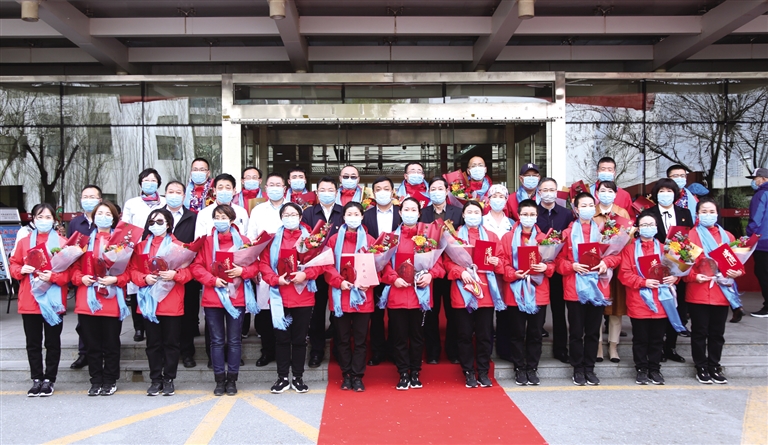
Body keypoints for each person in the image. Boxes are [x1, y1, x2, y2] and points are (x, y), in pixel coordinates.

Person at [190, 205, 259, 396]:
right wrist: (212, 280)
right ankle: (219, 379)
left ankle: (232, 380)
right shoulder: (206, 242)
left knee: (235, 341)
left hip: (237, 297)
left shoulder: (244, 241)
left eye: (224, 217)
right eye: (217, 217)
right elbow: (196, 267)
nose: (220, 220)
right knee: (217, 341)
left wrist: (242, 271)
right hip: (213, 297)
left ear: (232, 220)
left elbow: (255, 266)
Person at [556, 192, 621, 386]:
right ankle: (577, 368)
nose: (587, 209)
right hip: (574, 288)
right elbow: (557, 261)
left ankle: (590, 368)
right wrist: (572, 266)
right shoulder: (566, 233)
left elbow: (616, 255)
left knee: (593, 331)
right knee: (576, 332)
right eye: (583, 206)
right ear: (576, 209)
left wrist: (606, 263)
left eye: (590, 205)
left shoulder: (605, 232)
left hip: (598, 288)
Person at [260, 203, 325, 394]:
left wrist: (306, 274)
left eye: (294, 214)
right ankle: (282, 378)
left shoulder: (312, 238)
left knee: (299, 339)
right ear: (281, 218)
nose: (290, 218)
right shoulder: (272, 240)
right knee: (281, 339)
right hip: (279, 295)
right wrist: (275, 279)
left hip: (303, 296)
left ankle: (297, 377)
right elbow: (264, 264)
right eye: (286, 215)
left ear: (300, 217)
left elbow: (321, 263)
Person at [380, 197, 444, 390]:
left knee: (417, 337)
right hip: (397, 294)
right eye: (406, 209)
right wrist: (393, 278)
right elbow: (382, 265)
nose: (409, 213)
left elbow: (439, 265)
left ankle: (415, 372)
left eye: (413, 210)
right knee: (399, 337)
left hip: (420, 295)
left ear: (419, 213)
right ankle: (402, 373)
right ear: (400, 213)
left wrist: (431, 275)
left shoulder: (428, 237)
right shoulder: (390, 238)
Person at [130, 208, 192, 396]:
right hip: (149, 302)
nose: (155, 225)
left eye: (160, 222)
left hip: (171, 300)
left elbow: (190, 272)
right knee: (153, 344)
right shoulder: (140, 247)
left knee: (171, 343)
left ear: (168, 224)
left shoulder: (180, 246)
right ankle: (155, 379)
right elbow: (132, 270)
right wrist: (144, 278)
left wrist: (176, 274)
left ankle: (169, 378)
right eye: (152, 222)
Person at [10, 203, 70, 397]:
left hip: (53, 301)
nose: (43, 221)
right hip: (30, 299)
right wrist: (21, 270)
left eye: (48, 217)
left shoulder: (63, 243)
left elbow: (68, 275)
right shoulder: (24, 242)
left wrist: (53, 276)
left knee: (52, 342)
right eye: (39, 217)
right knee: (33, 343)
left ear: (54, 220)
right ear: (33, 220)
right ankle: (36, 378)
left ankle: (49, 379)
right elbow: (13, 265)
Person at [72, 201, 131, 396]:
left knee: (111, 344)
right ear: (93, 217)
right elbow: (73, 269)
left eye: (107, 214)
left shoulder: (122, 243)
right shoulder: (82, 241)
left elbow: (129, 272)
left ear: (114, 218)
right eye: (99, 213)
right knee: (92, 345)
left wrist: (116, 279)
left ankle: (110, 380)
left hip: (111, 299)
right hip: (88, 299)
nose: (103, 217)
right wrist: (81, 278)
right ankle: (95, 380)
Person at [443, 200, 504, 389]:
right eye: (469, 212)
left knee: (485, 334)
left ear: (481, 215)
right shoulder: (453, 237)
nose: (472, 215)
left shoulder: (491, 236)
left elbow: (502, 260)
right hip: (463, 290)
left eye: (476, 212)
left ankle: (483, 371)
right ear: (463, 215)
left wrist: (496, 262)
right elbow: (447, 262)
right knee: (464, 334)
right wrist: (460, 271)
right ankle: (468, 371)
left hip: (485, 292)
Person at [686, 198, 743, 384]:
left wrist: (736, 272)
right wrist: (694, 276)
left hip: (721, 292)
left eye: (712, 212)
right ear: (697, 214)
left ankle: (714, 365)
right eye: (704, 212)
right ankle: (701, 366)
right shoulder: (690, 236)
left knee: (717, 333)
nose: (708, 215)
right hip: (698, 291)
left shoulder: (728, 237)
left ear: (717, 214)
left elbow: (738, 264)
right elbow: (683, 268)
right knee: (699, 331)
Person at [619, 210, 678, 385]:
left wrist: (675, 278)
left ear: (657, 227)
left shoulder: (666, 249)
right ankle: (641, 368)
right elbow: (624, 274)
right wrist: (643, 282)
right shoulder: (629, 249)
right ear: (638, 228)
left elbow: (676, 271)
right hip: (639, 300)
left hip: (662, 300)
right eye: (644, 225)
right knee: (640, 338)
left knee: (657, 338)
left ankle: (655, 368)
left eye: (651, 224)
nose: (648, 228)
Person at [499, 199, 553, 386]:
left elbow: (553, 263)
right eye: (525, 214)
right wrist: (513, 273)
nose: (528, 218)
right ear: (518, 216)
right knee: (517, 333)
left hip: (538, 292)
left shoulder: (545, 239)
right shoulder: (507, 238)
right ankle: (519, 368)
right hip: (516, 291)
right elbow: (502, 262)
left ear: (537, 216)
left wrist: (545, 267)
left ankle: (532, 367)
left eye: (532, 215)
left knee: (535, 333)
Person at [323, 202, 376, 391]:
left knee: (361, 340)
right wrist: (339, 281)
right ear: (343, 217)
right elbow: (327, 265)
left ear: (362, 217)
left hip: (363, 296)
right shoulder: (333, 240)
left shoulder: (370, 240)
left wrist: (368, 281)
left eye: (356, 214)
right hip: (341, 295)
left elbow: (378, 265)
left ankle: (357, 376)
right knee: (342, 339)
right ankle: (346, 374)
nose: (353, 217)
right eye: (349, 214)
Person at [647, 178, 694, 361]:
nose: (665, 194)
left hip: (677, 270)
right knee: (658, 308)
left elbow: (688, 242)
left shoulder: (684, 213)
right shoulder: (648, 213)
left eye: (669, 191)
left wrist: (678, 272)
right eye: (661, 191)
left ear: (675, 194)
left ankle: (671, 347)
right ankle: (656, 348)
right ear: (655, 194)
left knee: (677, 307)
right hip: (655, 268)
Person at [301, 177, 344, 369]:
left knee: (338, 311)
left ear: (336, 192)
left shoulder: (344, 212)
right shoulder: (308, 213)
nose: (327, 193)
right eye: (323, 190)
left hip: (338, 270)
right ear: (317, 193)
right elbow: (303, 240)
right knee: (316, 312)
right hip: (316, 270)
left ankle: (339, 350)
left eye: (331, 190)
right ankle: (316, 351)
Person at [246, 172, 288, 367]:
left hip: (287, 268)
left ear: (285, 188)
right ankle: (267, 351)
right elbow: (251, 240)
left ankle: (284, 352)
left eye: (278, 184)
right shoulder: (258, 210)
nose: (275, 188)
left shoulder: (293, 208)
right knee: (264, 313)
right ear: (265, 188)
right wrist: (254, 268)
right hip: (263, 267)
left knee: (285, 311)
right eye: (271, 184)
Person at [421, 177, 462, 364]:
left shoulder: (458, 212)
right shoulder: (422, 213)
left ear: (447, 191)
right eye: (433, 189)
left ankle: (453, 351)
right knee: (431, 312)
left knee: (453, 313)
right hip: (431, 269)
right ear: (428, 192)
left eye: (440, 188)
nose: (436, 192)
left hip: (453, 267)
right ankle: (432, 352)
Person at [122, 168, 166, 343]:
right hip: (138, 250)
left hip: (159, 249)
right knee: (136, 287)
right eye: (146, 180)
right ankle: (139, 327)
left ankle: (156, 322)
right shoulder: (131, 203)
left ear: (158, 183)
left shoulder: (164, 202)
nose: (149, 183)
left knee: (158, 285)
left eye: (153, 180)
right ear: (140, 183)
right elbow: (125, 227)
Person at [362, 176, 402, 366]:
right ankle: (377, 351)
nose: (383, 192)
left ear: (393, 191)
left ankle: (395, 351)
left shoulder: (402, 213)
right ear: (373, 193)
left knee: (396, 314)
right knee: (376, 314)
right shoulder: (366, 215)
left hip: (398, 269)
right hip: (375, 268)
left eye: (386, 188)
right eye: (378, 189)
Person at [592, 180, 632, 364]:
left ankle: (613, 346)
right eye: (602, 190)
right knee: (596, 308)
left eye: (610, 191)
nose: (606, 194)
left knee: (616, 308)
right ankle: (598, 345)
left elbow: (628, 241)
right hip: (596, 267)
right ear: (597, 193)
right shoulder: (591, 211)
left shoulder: (622, 213)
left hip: (617, 267)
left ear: (616, 194)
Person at [536, 177, 574, 364]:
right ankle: (535, 349)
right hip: (539, 268)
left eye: (552, 189)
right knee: (538, 311)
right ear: (539, 192)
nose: (548, 193)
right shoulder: (533, 213)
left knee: (559, 311)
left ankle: (561, 349)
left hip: (559, 268)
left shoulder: (566, 214)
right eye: (545, 189)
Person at [164, 181, 200, 369]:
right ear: (165, 194)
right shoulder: (156, 216)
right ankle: (167, 352)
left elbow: (198, 243)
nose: (174, 195)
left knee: (188, 315)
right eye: (171, 191)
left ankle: (187, 352)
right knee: (166, 317)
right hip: (162, 275)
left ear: (184, 196)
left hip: (187, 275)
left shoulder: (192, 217)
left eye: (178, 192)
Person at [68, 184, 102, 369]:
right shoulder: (75, 223)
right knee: (84, 320)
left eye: (92, 197)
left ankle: (104, 352)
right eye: (85, 197)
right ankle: (84, 353)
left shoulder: (106, 219)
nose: (88, 200)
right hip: (83, 277)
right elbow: (70, 249)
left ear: (100, 200)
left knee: (104, 318)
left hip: (104, 277)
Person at [482, 184, 515, 361]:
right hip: (485, 272)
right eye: (494, 196)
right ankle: (485, 350)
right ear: (488, 199)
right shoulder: (480, 221)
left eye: (501, 196)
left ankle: (504, 349)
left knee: (505, 312)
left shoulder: (512, 224)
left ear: (506, 200)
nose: (497, 199)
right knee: (486, 313)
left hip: (506, 272)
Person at [194, 173, 249, 239]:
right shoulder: (203, 214)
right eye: (220, 188)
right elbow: (199, 240)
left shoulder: (242, 212)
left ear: (234, 191)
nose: (224, 191)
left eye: (228, 188)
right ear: (214, 190)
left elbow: (247, 237)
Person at [746, 167, 768, 318]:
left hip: (763, 241)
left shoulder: (761, 194)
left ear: (764, 179)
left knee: (762, 272)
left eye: (755, 179)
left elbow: (756, 218)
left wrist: (750, 235)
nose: (754, 182)